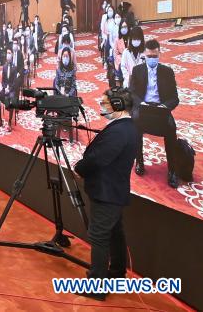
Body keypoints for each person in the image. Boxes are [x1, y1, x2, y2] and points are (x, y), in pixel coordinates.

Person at [74, 89, 139, 300]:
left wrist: (80, 168)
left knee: (99, 236)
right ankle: (117, 273)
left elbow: (100, 158)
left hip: (107, 191)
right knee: (114, 233)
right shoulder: (126, 127)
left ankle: (96, 286)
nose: (101, 106)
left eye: (105, 103)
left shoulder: (120, 131)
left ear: (119, 105)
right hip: (113, 189)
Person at [128, 39, 180, 187]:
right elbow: (132, 93)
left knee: (171, 129)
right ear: (145, 54)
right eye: (149, 56)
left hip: (161, 109)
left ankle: (172, 170)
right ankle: (139, 161)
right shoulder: (137, 70)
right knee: (134, 125)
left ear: (159, 54)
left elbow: (175, 98)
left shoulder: (167, 72)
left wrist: (165, 106)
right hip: (144, 108)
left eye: (154, 56)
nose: (152, 59)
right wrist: (140, 103)